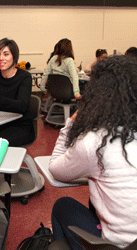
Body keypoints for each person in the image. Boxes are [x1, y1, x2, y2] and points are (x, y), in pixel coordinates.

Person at [49, 55, 137, 250]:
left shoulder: (95, 143)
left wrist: (71, 124)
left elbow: (55, 168)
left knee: (62, 205)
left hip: (117, 245)